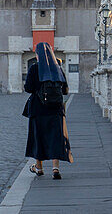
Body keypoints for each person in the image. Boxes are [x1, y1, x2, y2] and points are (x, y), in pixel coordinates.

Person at [23, 41, 72, 179]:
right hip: (56, 109)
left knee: (38, 138)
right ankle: (55, 169)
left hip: (38, 109)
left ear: (38, 54)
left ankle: (39, 168)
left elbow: (28, 88)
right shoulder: (58, 69)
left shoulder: (34, 68)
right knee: (56, 137)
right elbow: (65, 90)